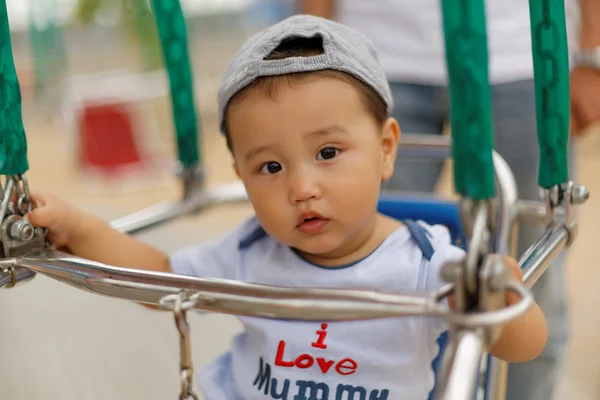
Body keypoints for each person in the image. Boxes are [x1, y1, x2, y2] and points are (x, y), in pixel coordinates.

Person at [26, 15, 547, 400]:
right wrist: (80, 227)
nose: (301, 187)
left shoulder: (424, 262)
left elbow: (523, 347)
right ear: (242, 177)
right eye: (270, 168)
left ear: (387, 149)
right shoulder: (252, 249)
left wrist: (497, 294)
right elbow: (157, 278)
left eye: (327, 153)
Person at [300, 1, 600, 399]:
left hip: (518, 56)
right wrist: (309, 54)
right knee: (365, 274)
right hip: (371, 54)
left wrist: (592, 53)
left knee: (523, 283)